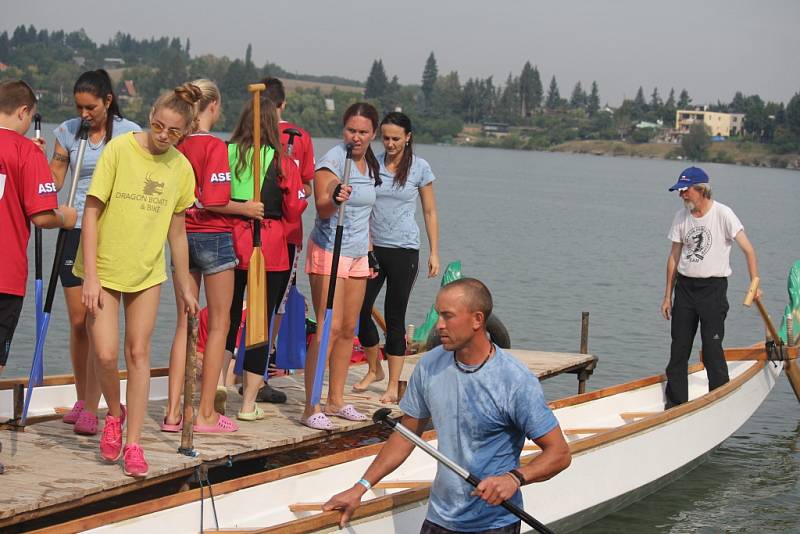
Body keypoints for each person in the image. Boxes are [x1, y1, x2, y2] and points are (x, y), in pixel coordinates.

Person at [323, 278, 571, 533]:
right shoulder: (430, 366)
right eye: (438, 314)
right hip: (439, 519)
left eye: (448, 316)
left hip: (493, 524)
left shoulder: (515, 381)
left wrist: (514, 478)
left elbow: (559, 454)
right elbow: (406, 436)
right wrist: (360, 487)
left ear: (477, 320)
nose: (439, 325)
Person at [74, 84, 199, 477]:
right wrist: (91, 276)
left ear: (185, 133)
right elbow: (91, 212)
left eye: (173, 132)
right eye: (158, 126)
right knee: (106, 354)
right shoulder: (119, 149)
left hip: (147, 271)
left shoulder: (180, 168)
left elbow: (176, 232)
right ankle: (114, 412)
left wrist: (184, 282)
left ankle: (133, 442)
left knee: (139, 353)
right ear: (150, 116)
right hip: (104, 269)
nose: (163, 135)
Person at [49, 69, 141, 435]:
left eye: (91, 107)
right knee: (78, 322)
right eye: (79, 107)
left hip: (112, 233)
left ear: (107, 101)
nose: (84, 114)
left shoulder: (129, 132)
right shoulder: (68, 132)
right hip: (75, 229)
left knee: (96, 320)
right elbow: (54, 178)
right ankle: (82, 397)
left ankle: (95, 404)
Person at [162, 79, 254, 434]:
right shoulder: (214, 146)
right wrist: (245, 208)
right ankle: (204, 414)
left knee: (184, 324)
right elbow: (214, 199)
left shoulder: (176, 143)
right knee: (218, 324)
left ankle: (172, 413)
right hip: (213, 237)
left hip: (181, 236)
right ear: (212, 106)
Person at [301, 102, 380, 430]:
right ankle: (311, 406)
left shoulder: (368, 165)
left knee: (349, 328)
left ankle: (335, 399)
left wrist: (371, 251)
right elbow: (320, 208)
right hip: (330, 251)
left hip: (359, 254)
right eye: (351, 131)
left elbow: (365, 215)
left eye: (363, 132)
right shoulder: (333, 162)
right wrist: (335, 199)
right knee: (327, 328)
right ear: (343, 130)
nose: (356, 137)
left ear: (372, 134)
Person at [225, 95, 305, 421]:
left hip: (230, 240)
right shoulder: (283, 162)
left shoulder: (226, 153)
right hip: (267, 245)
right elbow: (295, 207)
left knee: (226, 319)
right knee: (259, 322)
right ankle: (247, 406)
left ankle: (218, 385)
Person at [354, 112, 440, 403]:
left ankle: (392, 384)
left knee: (394, 316)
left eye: (396, 138)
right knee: (359, 310)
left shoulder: (420, 168)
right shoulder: (372, 163)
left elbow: (429, 211)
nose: (390, 143)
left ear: (408, 137)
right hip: (373, 250)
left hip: (405, 251)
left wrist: (434, 253)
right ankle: (374, 367)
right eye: (386, 138)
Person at [661, 166, 760, 408]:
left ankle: (719, 399)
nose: (681, 195)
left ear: (701, 190)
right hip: (684, 289)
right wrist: (667, 296)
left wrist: (754, 283)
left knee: (712, 347)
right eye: (680, 191)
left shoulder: (723, 214)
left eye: (685, 190)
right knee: (679, 349)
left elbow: (748, 249)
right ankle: (675, 406)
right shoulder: (681, 217)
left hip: (713, 290)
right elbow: (674, 257)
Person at [0, 80, 78, 381]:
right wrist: (66, 217)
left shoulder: (24, 152)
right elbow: (43, 216)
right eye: (30, 118)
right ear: (23, 112)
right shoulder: (26, 153)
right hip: (5, 276)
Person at [258, 76, 315, 402]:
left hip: (243, 234)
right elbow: (305, 188)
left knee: (237, 305)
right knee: (275, 305)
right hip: (285, 236)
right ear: (282, 104)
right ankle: (260, 373)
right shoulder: (300, 137)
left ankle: (230, 371)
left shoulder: (242, 140)